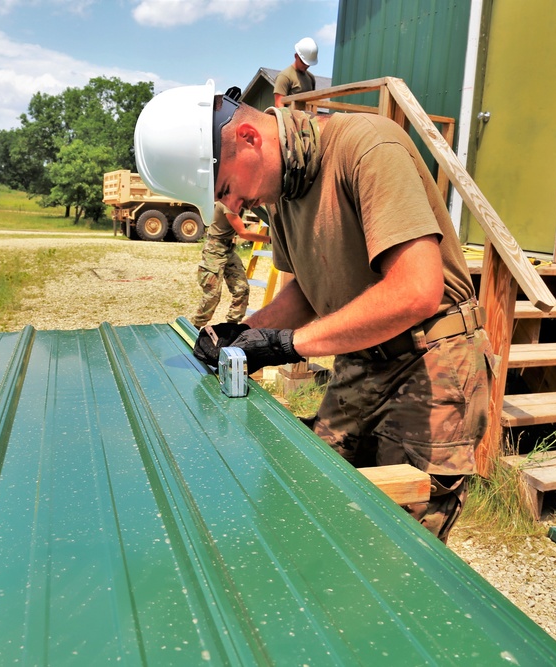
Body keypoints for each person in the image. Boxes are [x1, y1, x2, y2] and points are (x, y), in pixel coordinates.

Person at [133, 82, 492, 543]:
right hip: (362, 360)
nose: (232, 207)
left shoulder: (367, 147)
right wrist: (245, 332)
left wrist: (287, 345)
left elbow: (416, 292)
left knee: (396, 545)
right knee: (313, 504)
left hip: (431, 361)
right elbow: (305, 291)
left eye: (225, 189)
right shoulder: (282, 192)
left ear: (248, 137)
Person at [191, 201, 271, 329]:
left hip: (228, 249)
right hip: (214, 250)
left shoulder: (242, 201)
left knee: (242, 289)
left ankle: (231, 327)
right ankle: (194, 327)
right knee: (212, 295)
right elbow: (243, 233)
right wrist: (271, 239)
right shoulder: (228, 203)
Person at [273, 37, 318, 108]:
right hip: (290, 117)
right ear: (296, 56)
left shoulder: (311, 78)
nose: (306, 66)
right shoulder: (284, 76)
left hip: (308, 117)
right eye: (303, 62)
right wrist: (288, 118)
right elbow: (279, 104)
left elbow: (312, 104)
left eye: (308, 64)